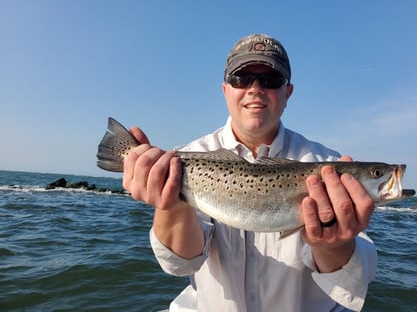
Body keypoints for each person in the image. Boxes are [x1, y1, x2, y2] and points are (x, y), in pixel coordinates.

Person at [123, 33, 377, 312]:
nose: (255, 89)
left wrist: (333, 245)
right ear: (225, 90)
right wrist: (171, 208)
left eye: (270, 80)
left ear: (287, 92)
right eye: (242, 79)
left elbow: (355, 279)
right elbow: (181, 264)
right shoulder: (183, 159)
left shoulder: (327, 165)